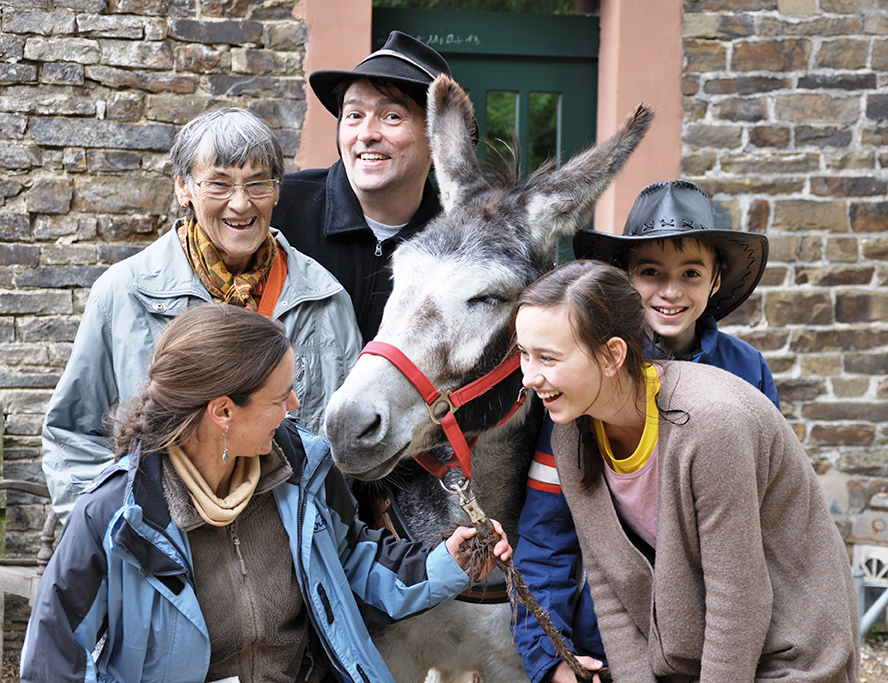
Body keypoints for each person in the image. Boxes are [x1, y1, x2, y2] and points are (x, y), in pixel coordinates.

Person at [21, 303, 511, 683]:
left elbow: (355, 563)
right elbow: (55, 660)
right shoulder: (114, 517)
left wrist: (447, 563)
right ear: (223, 411)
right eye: (280, 398)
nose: (295, 407)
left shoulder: (306, 469)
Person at [511, 260, 858, 683]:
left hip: (791, 655)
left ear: (612, 356)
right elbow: (610, 587)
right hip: (685, 660)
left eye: (548, 357)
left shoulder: (710, 424)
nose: (529, 378)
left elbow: (738, 597)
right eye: (524, 354)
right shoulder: (572, 435)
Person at [512, 179, 781, 682]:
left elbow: (760, 530)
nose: (671, 291)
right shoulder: (579, 383)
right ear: (626, 278)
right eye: (651, 272)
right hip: (615, 640)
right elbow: (546, 535)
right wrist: (551, 656)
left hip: (727, 639)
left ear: (716, 279)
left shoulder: (745, 374)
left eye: (691, 273)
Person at [42, 107, 362, 522]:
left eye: (257, 184)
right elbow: (71, 435)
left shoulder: (325, 299)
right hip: (166, 555)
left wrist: (321, 533)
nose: (241, 203)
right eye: (220, 183)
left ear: (278, 190)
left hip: (289, 557)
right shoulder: (123, 294)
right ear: (183, 188)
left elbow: (347, 443)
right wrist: (119, 532)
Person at [272, 31, 458, 343]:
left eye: (392, 116)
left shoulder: (454, 246)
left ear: (437, 142)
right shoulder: (279, 207)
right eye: (355, 115)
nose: (367, 134)